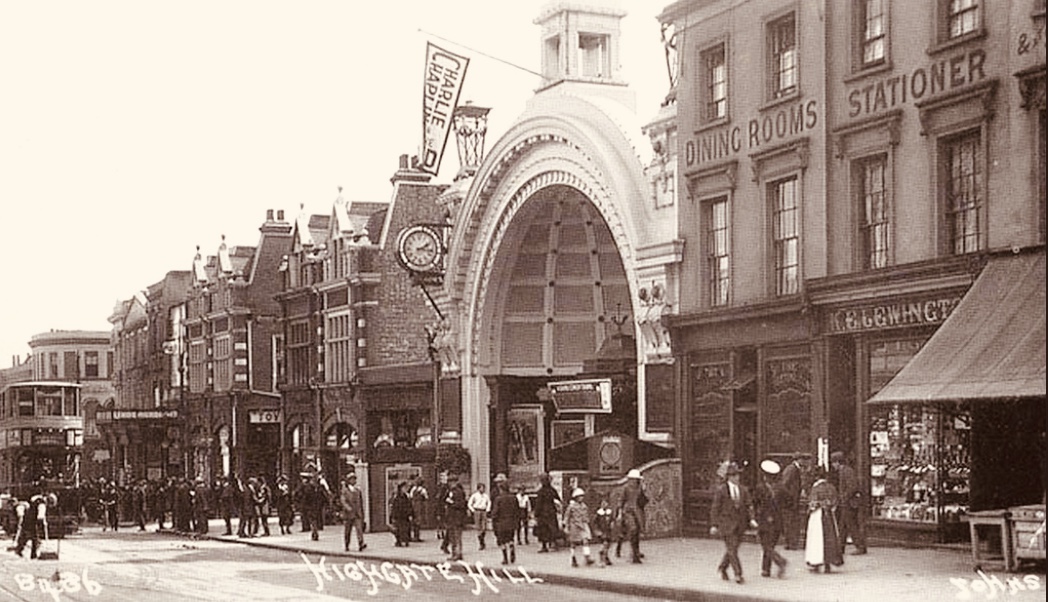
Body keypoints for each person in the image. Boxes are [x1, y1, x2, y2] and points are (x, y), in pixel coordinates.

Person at [710, 461, 757, 584]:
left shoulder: (743, 490)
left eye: (737, 475)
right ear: (729, 477)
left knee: (733, 549)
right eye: (734, 475)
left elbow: (749, 505)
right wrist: (714, 524)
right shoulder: (721, 490)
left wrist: (752, 519)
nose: (737, 477)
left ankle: (723, 567)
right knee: (731, 548)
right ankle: (738, 574)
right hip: (726, 524)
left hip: (740, 524)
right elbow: (715, 508)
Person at [804, 467, 844, 573]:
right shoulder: (831, 487)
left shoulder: (816, 488)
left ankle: (816, 562)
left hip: (818, 515)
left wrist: (810, 509)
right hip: (829, 515)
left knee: (817, 538)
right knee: (830, 537)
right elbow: (835, 501)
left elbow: (813, 503)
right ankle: (828, 563)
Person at [754, 459, 788, 578]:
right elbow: (789, 502)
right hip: (778, 521)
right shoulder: (781, 488)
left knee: (766, 545)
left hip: (765, 521)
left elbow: (755, 504)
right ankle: (765, 569)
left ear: (764, 476)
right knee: (770, 545)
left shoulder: (760, 488)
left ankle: (780, 561)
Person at [831, 451, 867, 555]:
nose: (833, 466)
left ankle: (860, 546)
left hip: (850, 503)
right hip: (847, 503)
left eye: (833, 463)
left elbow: (853, 487)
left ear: (838, 462)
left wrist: (844, 497)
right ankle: (840, 547)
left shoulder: (846, 471)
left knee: (851, 525)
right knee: (843, 526)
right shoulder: (844, 471)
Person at [779, 452, 811, 550]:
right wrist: (789, 497)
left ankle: (791, 543)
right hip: (790, 501)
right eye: (803, 459)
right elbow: (784, 484)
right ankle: (790, 543)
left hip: (792, 500)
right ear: (798, 460)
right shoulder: (792, 469)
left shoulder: (795, 469)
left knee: (791, 521)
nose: (804, 461)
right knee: (790, 522)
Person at [618, 468, 646, 564]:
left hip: (638, 512)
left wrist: (643, 486)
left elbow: (644, 499)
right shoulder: (626, 488)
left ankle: (635, 552)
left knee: (637, 532)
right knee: (632, 529)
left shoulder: (640, 488)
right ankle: (632, 553)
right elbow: (621, 500)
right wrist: (620, 512)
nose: (634, 481)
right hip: (628, 511)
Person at [489, 477, 519, 565]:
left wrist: (492, 518)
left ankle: (505, 558)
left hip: (501, 523)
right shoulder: (514, 498)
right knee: (510, 538)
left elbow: (495, 512)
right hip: (511, 522)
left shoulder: (498, 499)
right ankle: (512, 546)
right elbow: (517, 510)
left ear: (501, 489)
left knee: (502, 540)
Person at [564, 487, 595, 568]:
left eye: (582, 496)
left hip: (583, 525)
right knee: (573, 543)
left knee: (586, 540)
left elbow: (586, 515)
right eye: (579, 496)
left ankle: (587, 557)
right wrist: (566, 526)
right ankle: (573, 557)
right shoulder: (572, 506)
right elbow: (567, 517)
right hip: (574, 525)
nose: (581, 498)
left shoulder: (584, 506)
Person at [533, 473, 561, 553]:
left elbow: (538, 504)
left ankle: (544, 546)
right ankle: (553, 543)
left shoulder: (541, 492)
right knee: (552, 528)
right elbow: (558, 500)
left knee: (543, 530)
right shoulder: (552, 490)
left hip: (543, 513)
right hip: (551, 512)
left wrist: (536, 513)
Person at [14, 492, 46, 559]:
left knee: (33, 537)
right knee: (28, 536)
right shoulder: (39, 503)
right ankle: (21, 550)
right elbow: (41, 515)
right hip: (30, 520)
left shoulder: (38, 502)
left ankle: (31, 553)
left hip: (32, 521)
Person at [339, 473, 366, 552]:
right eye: (352, 479)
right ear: (349, 481)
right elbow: (343, 501)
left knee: (359, 529)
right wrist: (348, 508)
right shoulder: (345, 491)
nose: (354, 481)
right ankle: (347, 544)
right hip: (348, 514)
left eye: (354, 479)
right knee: (348, 530)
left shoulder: (357, 491)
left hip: (357, 513)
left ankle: (361, 543)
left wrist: (362, 513)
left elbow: (360, 503)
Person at [443, 474, 468, 561]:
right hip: (451, 517)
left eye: (452, 482)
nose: (450, 484)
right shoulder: (449, 491)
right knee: (452, 536)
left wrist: (451, 502)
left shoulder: (458, 492)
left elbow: (461, 504)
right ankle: (455, 553)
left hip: (456, 517)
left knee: (456, 537)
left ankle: (457, 553)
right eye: (450, 482)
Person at [592, 497, 615, 567]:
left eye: (606, 503)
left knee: (608, 545)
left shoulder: (609, 512)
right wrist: (596, 530)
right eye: (603, 503)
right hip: (601, 531)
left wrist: (612, 523)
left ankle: (606, 556)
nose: (604, 505)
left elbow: (612, 519)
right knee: (604, 544)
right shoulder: (599, 513)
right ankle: (602, 559)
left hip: (608, 531)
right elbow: (595, 523)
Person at [467, 482, 491, 551]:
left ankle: (482, 537)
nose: (483, 489)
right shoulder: (475, 496)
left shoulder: (486, 496)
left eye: (483, 488)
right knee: (478, 526)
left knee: (484, 527)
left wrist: (487, 509)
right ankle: (481, 542)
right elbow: (469, 503)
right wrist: (473, 510)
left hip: (483, 510)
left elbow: (488, 502)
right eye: (481, 488)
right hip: (477, 510)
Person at [389, 481, 414, 547]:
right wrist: (392, 516)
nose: (405, 489)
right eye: (404, 488)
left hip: (405, 516)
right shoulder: (397, 497)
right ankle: (399, 541)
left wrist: (410, 514)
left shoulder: (406, 497)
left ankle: (405, 541)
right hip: (398, 516)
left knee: (405, 529)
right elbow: (394, 507)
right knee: (398, 529)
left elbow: (409, 506)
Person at [408, 476, 428, 543]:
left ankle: (414, 535)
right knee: (418, 521)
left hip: (413, 506)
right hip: (420, 506)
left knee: (414, 521)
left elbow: (410, 497)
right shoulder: (422, 490)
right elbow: (426, 498)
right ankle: (417, 536)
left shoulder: (413, 489)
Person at [433, 472, 450, 553]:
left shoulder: (447, 487)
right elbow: (439, 500)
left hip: (448, 510)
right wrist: (438, 512)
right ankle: (444, 542)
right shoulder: (442, 488)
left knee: (449, 528)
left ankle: (445, 544)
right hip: (444, 509)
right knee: (447, 526)